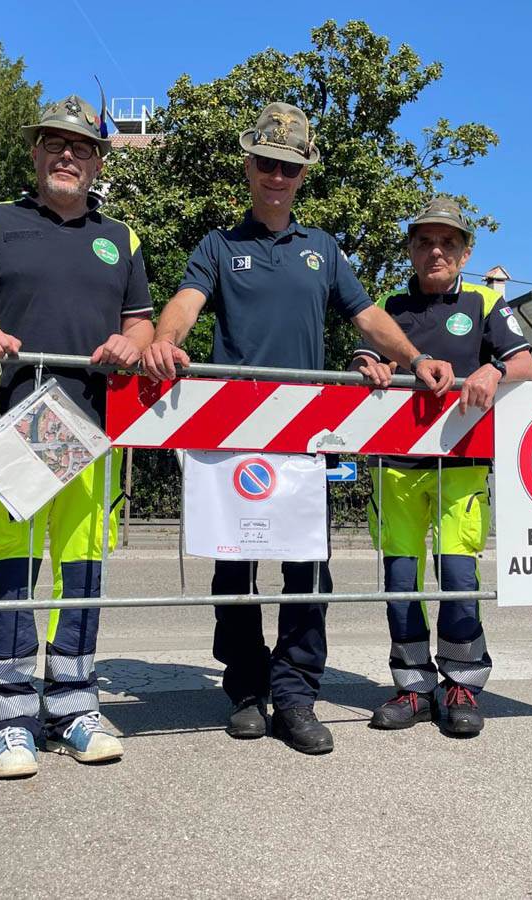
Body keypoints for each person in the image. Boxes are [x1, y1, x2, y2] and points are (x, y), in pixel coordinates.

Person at [142, 101, 454, 754]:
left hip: (305, 439)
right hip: (231, 438)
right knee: (235, 569)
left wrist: (415, 358)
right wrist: (166, 342)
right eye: (267, 163)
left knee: (309, 572)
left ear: (303, 174)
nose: (277, 176)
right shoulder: (218, 245)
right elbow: (185, 303)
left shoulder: (323, 250)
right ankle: (245, 690)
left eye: (289, 166)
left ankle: (294, 695)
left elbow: (367, 316)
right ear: (249, 166)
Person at [0, 95, 154, 778]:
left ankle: (74, 707)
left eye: (82, 147)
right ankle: (10, 718)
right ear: (35, 152)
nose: (68, 155)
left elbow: (141, 322)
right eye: (56, 143)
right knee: (14, 576)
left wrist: (132, 341)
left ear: (98, 162)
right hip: (15, 427)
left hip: (89, 430)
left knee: (82, 575)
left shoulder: (121, 237)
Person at [350, 196, 532, 736]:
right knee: (400, 580)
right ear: (411, 249)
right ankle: (412, 686)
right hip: (395, 466)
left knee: (458, 577)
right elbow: (366, 354)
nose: (436, 251)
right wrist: (365, 362)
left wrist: (493, 369)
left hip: (462, 465)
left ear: (465, 252)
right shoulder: (389, 303)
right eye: (425, 242)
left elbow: (526, 362)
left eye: (448, 243)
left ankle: (462, 684)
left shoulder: (485, 301)